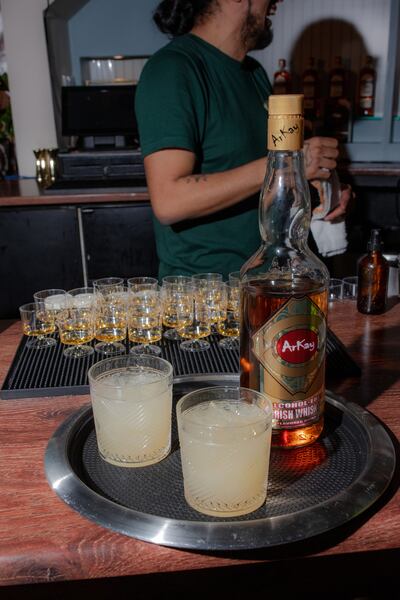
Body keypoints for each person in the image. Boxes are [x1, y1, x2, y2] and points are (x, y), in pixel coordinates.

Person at [135, 0, 352, 280]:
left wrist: (323, 194)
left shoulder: (253, 73)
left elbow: (261, 181)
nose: (278, 2)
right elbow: (169, 201)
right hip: (208, 295)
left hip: (265, 281)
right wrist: (289, 161)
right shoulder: (172, 69)